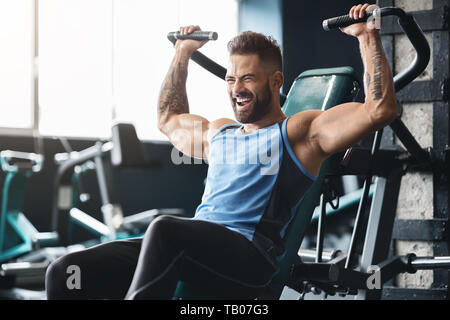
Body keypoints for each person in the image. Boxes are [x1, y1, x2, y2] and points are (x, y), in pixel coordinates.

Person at [46, 3, 397, 299]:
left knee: (165, 231)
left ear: (276, 82)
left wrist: (368, 38)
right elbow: (168, 118)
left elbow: (378, 110)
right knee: (65, 271)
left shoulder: (297, 133)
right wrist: (182, 54)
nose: (236, 89)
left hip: (249, 261)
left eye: (248, 79)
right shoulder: (220, 133)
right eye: (231, 80)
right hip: (195, 250)